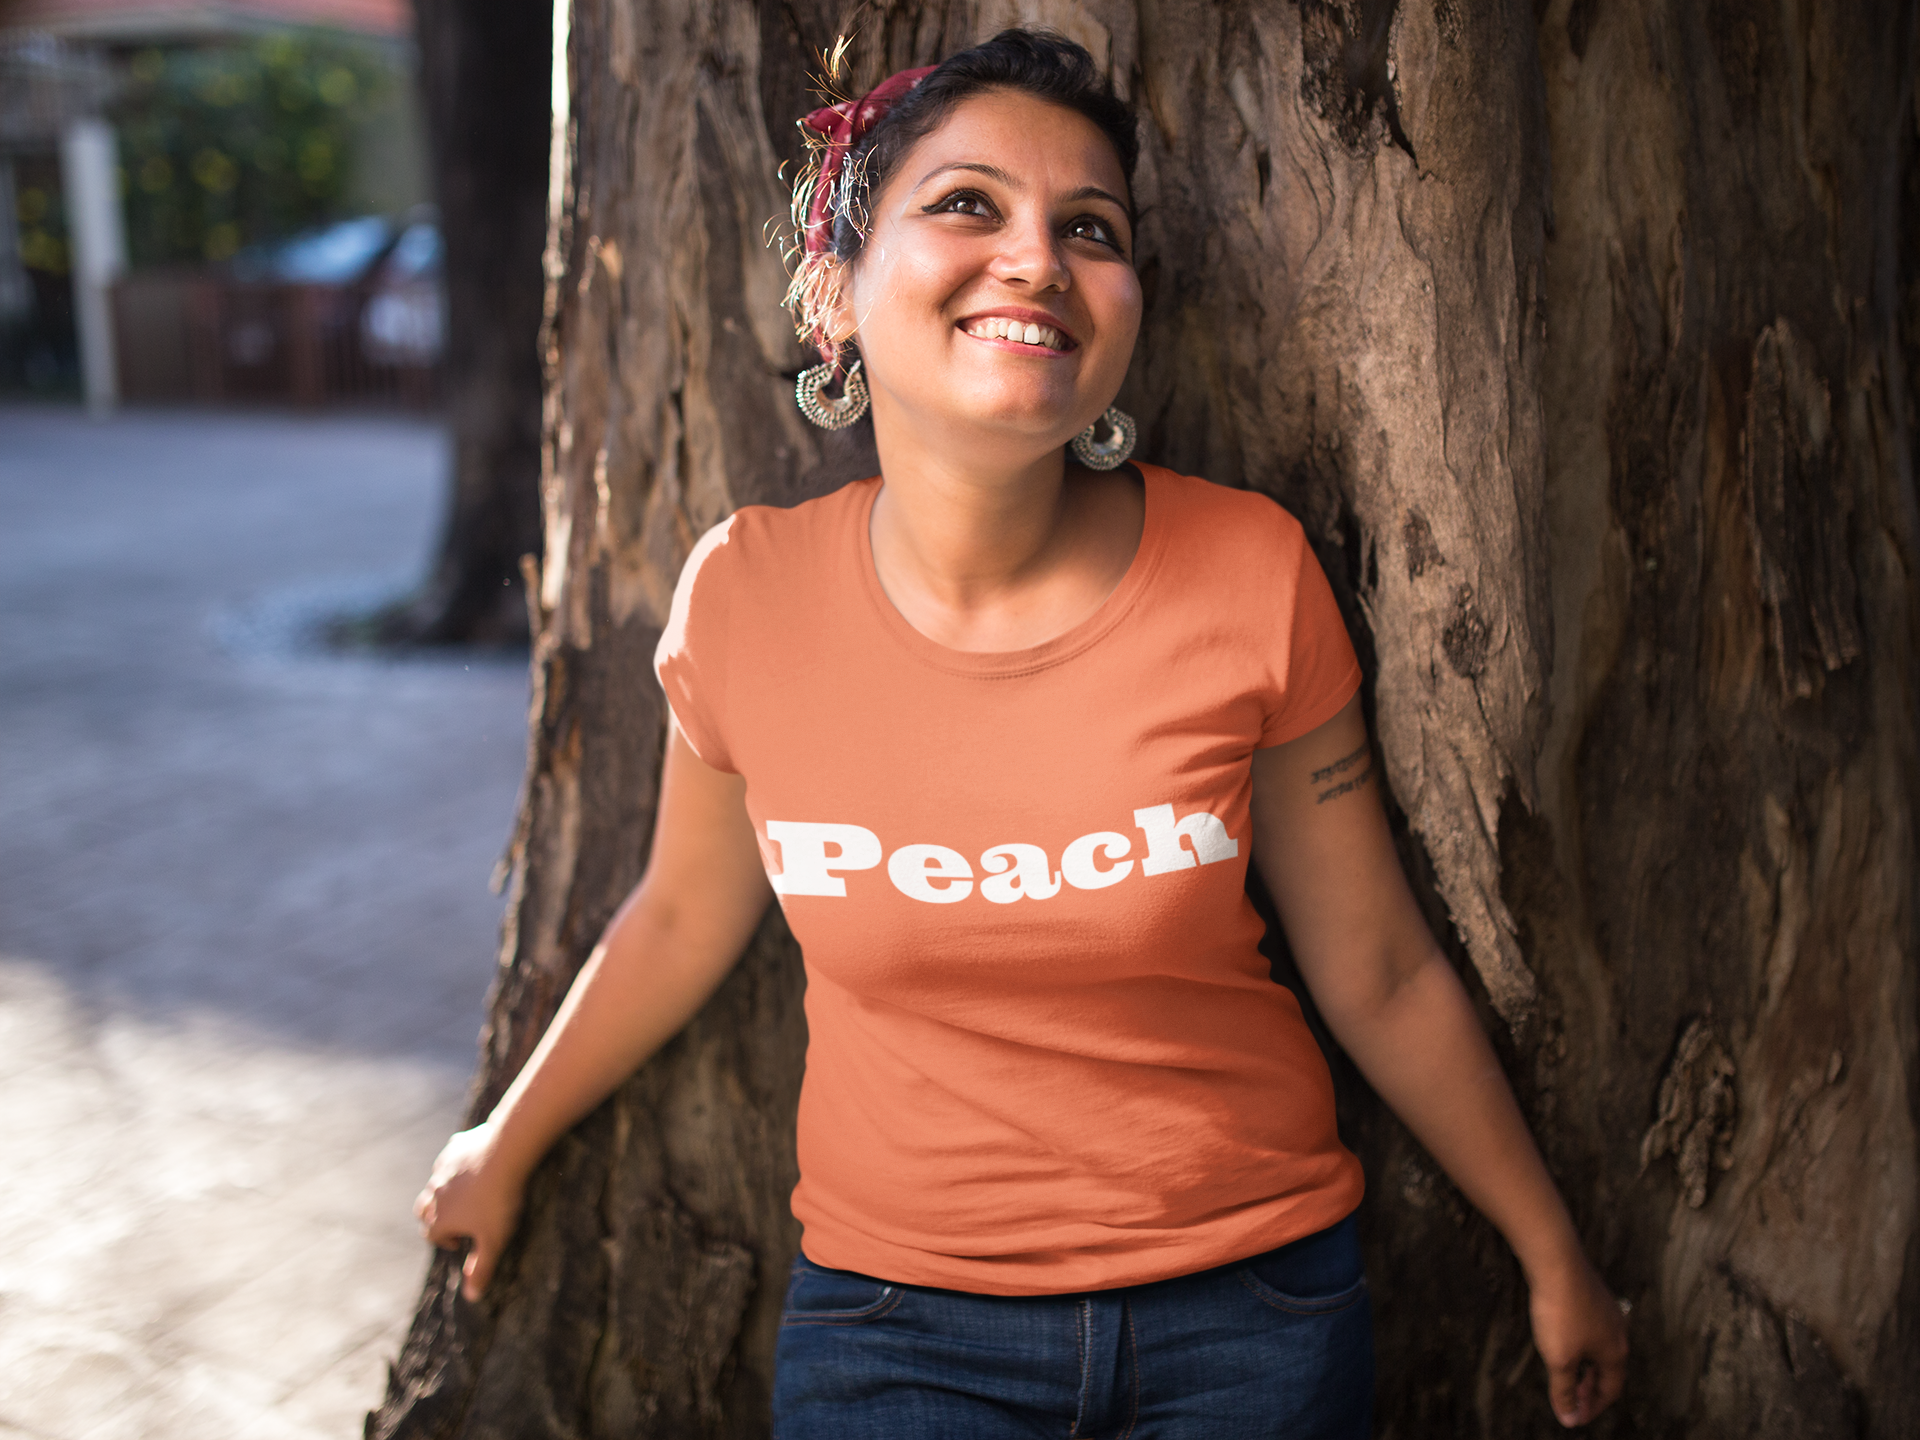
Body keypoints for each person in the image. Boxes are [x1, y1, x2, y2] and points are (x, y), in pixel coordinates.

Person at [416, 29, 1628, 1437]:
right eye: (967, 204)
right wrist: (508, 1141)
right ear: (836, 291)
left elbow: (1378, 965)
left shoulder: (1249, 573)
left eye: (1089, 228)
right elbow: (683, 917)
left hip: (1251, 1325)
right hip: (894, 1338)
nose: (1039, 258)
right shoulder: (745, 597)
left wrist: (1552, 1251)